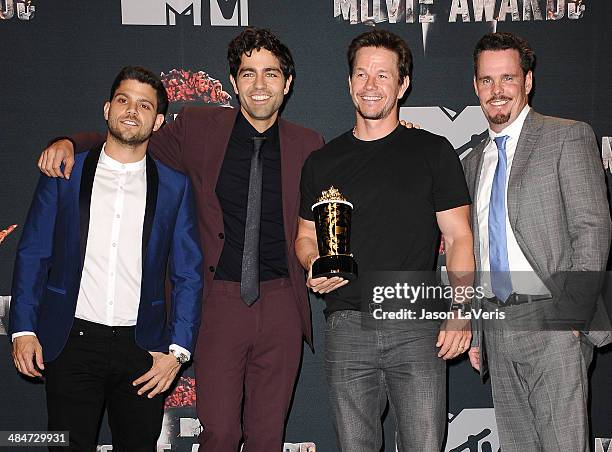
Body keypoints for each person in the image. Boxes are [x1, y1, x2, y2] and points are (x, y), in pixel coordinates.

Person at [37, 28, 324, 452]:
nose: (260, 85)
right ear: (233, 82)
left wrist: (399, 130)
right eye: (248, 74)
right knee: (221, 434)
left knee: (268, 437)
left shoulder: (309, 144)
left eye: (271, 74)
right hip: (219, 302)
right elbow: (131, 137)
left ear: (288, 82)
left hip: (282, 303)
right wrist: (71, 142)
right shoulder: (197, 128)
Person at [295, 29, 474, 452]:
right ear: (349, 82)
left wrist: (462, 309)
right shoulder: (322, 162)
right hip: (346, 326)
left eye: (382, 75)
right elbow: (305, 236)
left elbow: (460, 237)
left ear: (403, 84)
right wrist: (313, 265)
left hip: (416, 325)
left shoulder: (433, 151)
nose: (370, 86)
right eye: (361, 74)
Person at [10, 66, 203, 451]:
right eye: (123, 100)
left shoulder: (174, 187)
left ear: (158, 121)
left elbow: (188, 273)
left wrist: (177, 352)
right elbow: (33, 252)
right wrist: (23, 329)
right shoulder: (64, 173)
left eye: (144, 105)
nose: (132, 111)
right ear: (106, 109)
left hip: (142, 349)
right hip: (69, 342)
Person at [464, 32, 612, 451]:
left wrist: (573, 319)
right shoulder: (475, 161)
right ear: (476, 86)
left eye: (508, 78)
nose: (497, 91)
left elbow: (592, 228)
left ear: (527, 82)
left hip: (554, 321)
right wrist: (477, 333)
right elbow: (478, 252)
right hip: (497, 326)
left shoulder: (567, 136)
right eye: (487, 80)